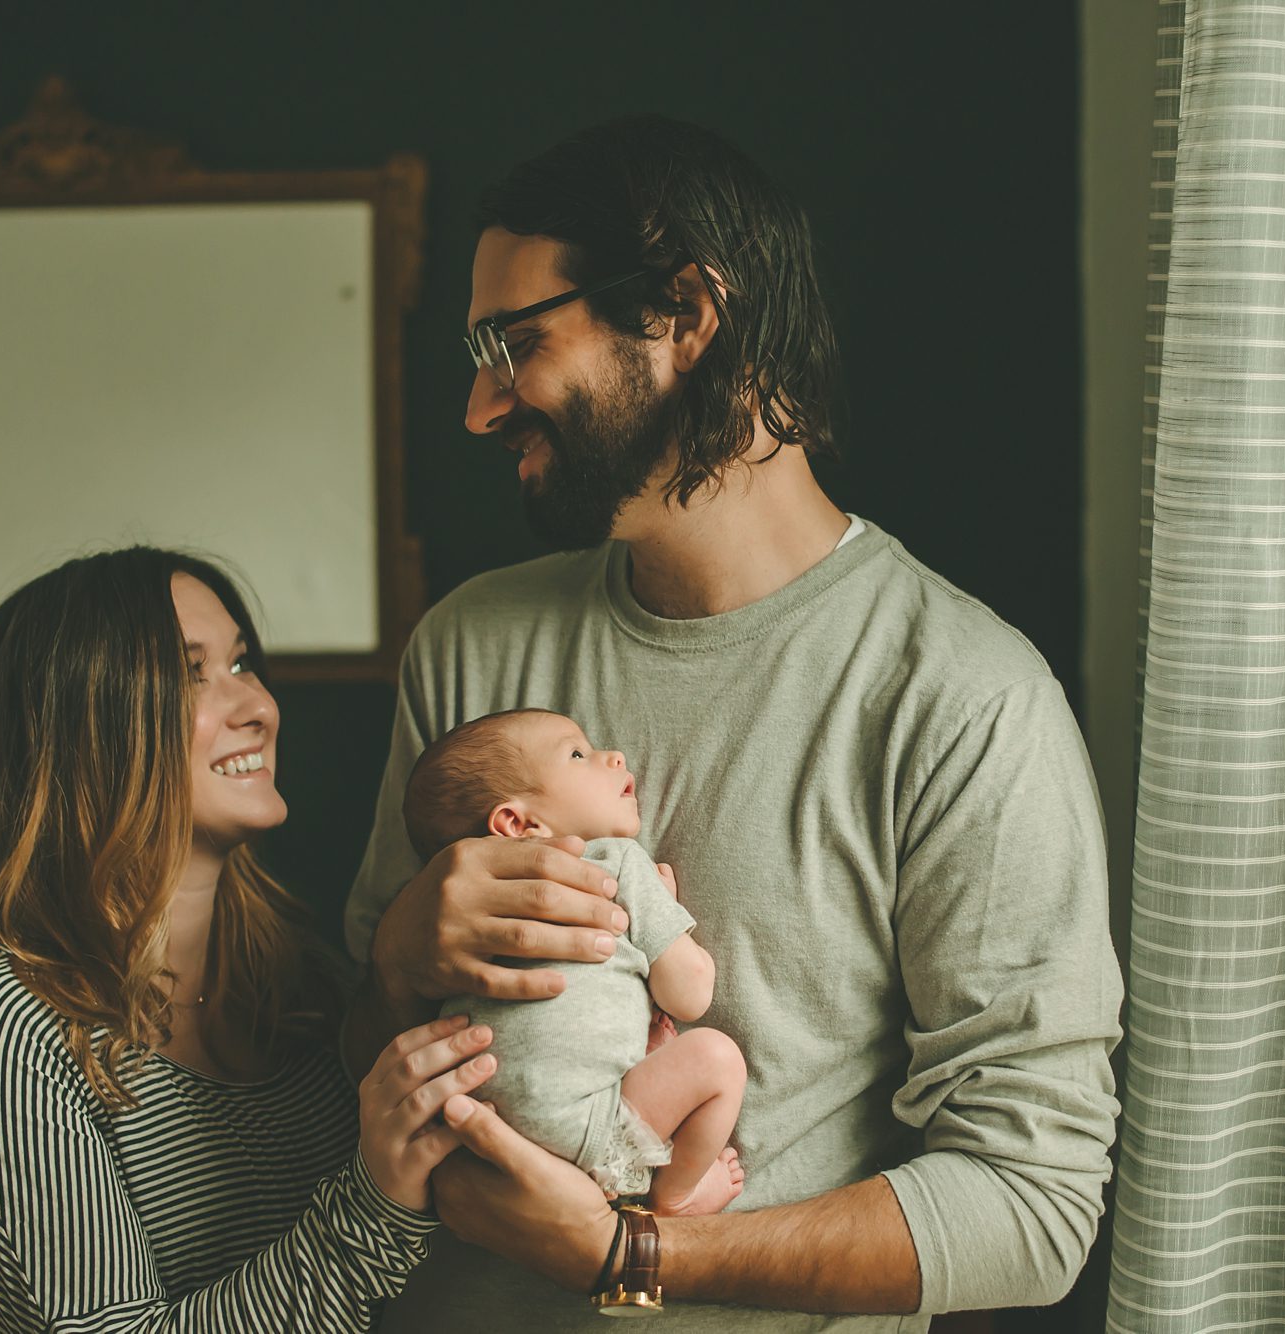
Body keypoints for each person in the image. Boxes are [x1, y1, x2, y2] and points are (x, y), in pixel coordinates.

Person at [342, 116, 1124, 1330]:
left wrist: (629, 1252)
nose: (479, 407)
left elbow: (1034, 1206)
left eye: (514, 343)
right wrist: (397, 951)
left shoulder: (963, 699)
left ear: (684, 315)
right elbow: (351, 1049)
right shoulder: (471, 645)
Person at [0, 547, 579, 1330]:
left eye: (242, 663)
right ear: (78, 729)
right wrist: (372, 1210)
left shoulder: (308, 998)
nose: (259, 707)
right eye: (189, 673)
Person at [403, 708, 748, 1215]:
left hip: (481, 1136)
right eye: (578, 754)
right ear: (519, 823)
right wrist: (663, 916)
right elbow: (691, 993)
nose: (614, 757)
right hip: (586, 1126)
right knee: (718, 1059)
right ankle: (676, 1194)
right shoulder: (615, 859)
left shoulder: (462, 909)